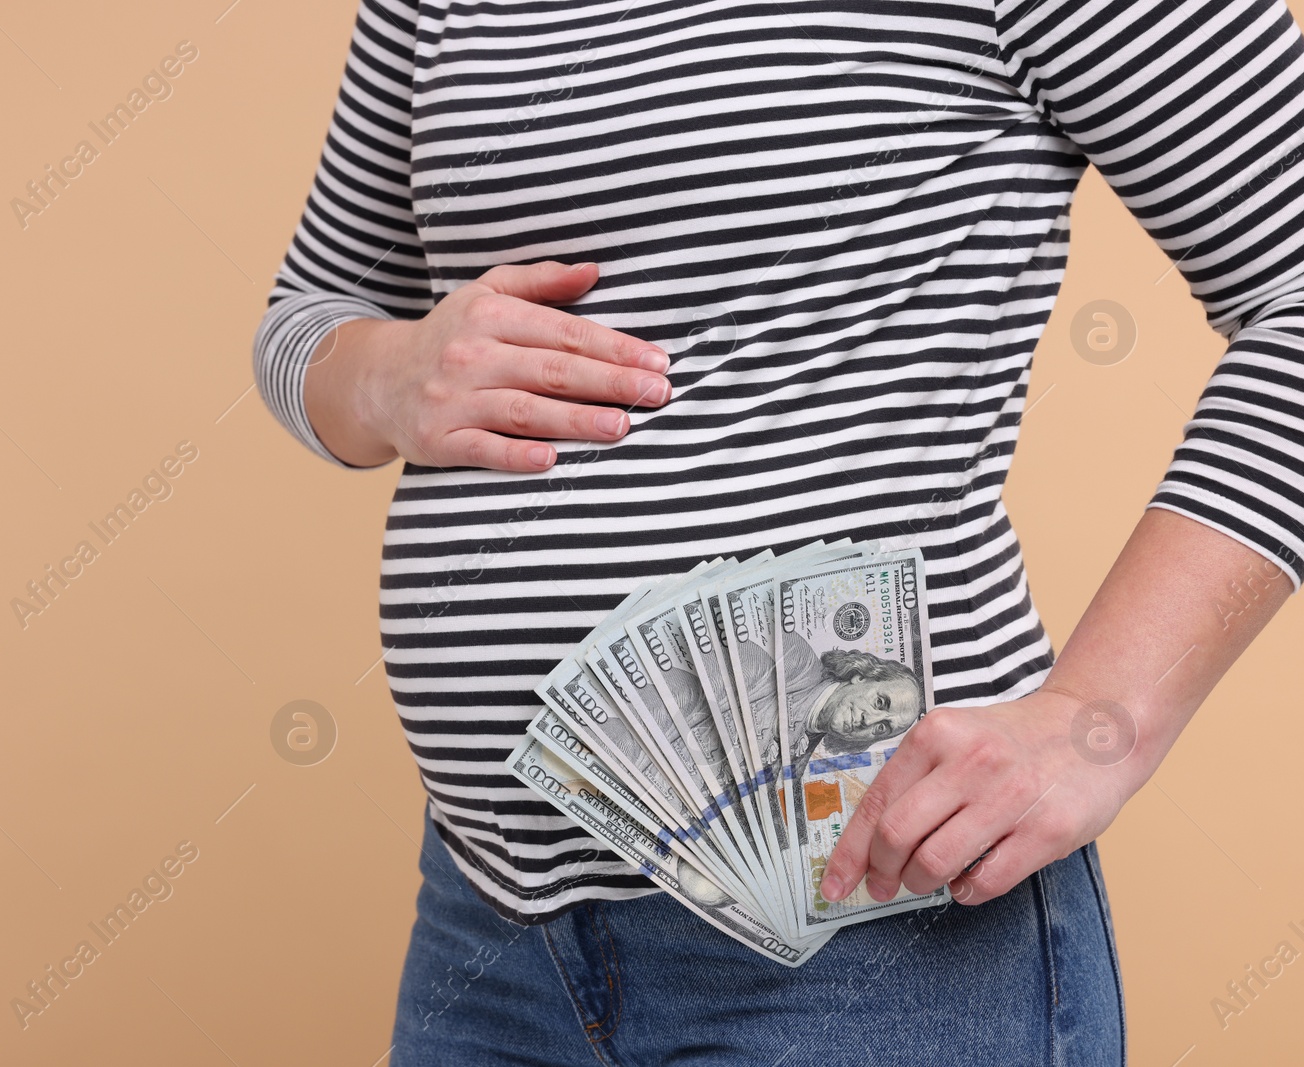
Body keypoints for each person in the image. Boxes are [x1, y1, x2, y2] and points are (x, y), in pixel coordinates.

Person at [252, 1, 1304, 1062]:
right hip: (489, 929)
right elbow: (308, 313)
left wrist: (1096, 716)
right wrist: (384, 377)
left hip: (875, 933)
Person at [778, 633, 927, 782]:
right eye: (879, 702)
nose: (868, 722)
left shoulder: (796, 768)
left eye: (882, 728)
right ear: (861, 676)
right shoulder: (792, 655)